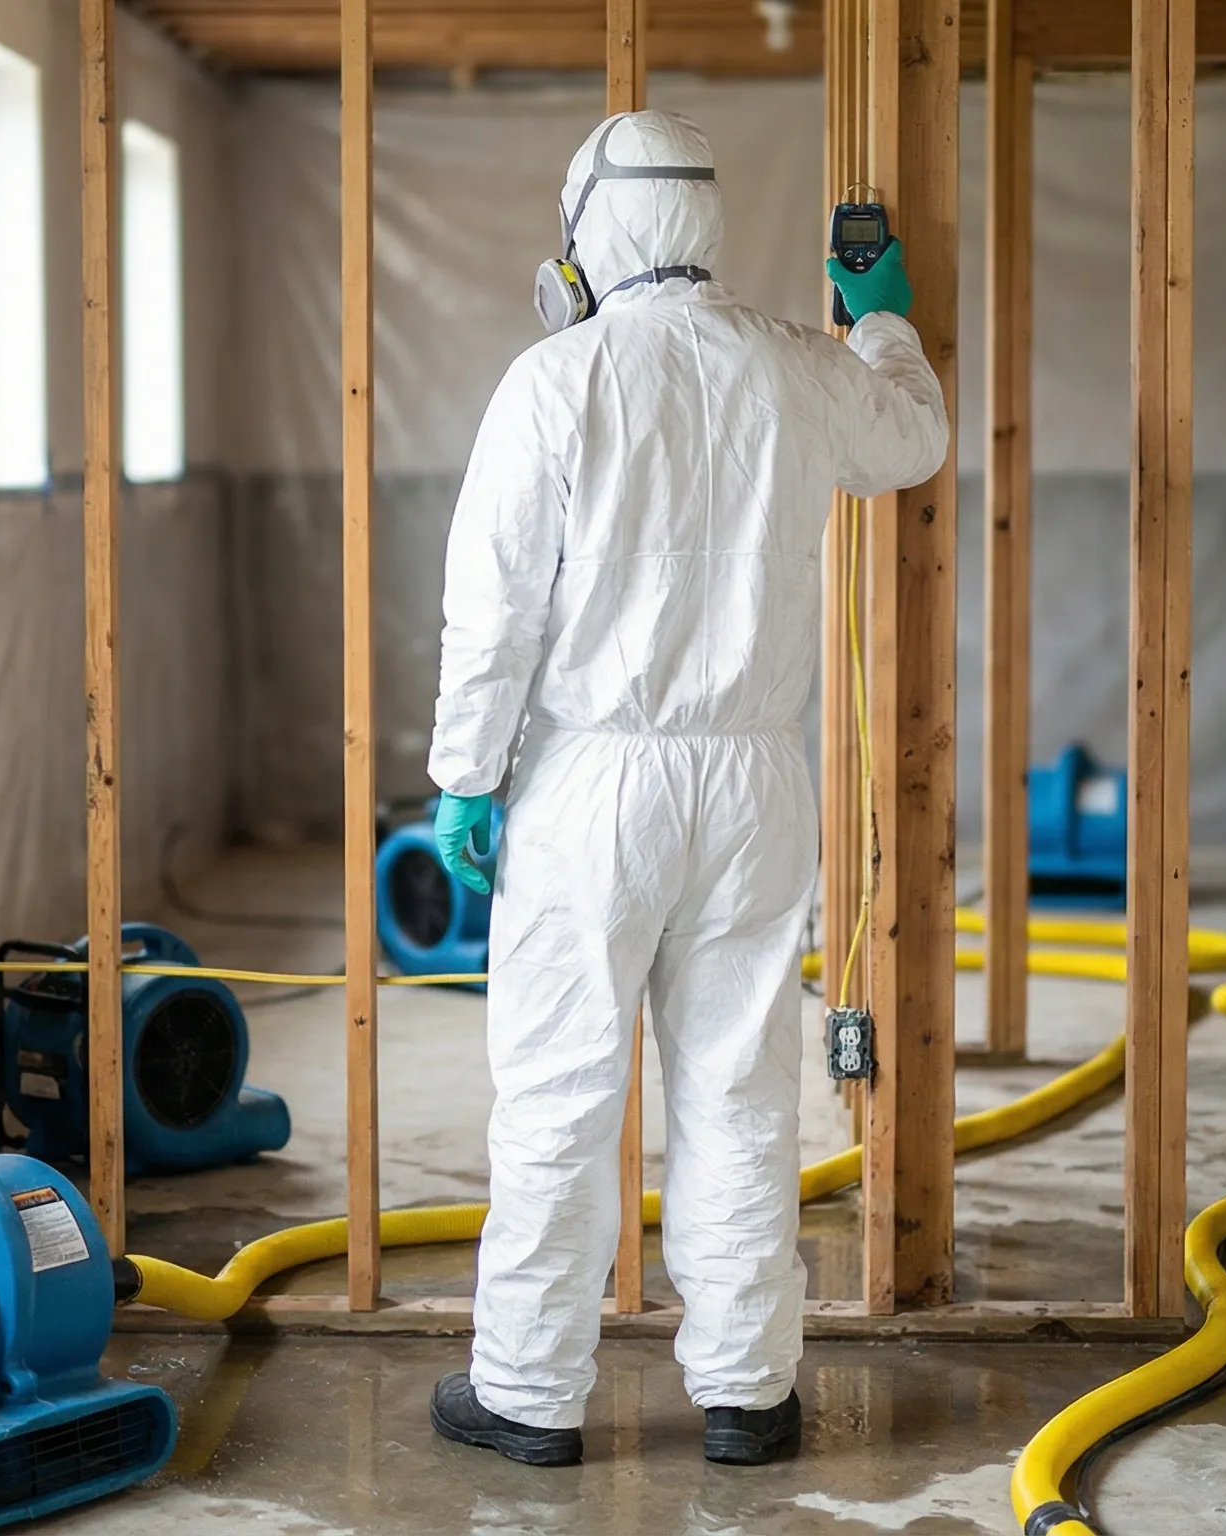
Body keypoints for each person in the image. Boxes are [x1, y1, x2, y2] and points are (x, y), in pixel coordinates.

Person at [422, 110, 949, 1469]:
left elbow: (492, 612)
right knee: (737, 1088)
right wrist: (879, 320)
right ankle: (747, 1393)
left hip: (593, 781)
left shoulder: (555, 380)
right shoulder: (791, 364)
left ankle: (531, 1396)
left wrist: (465, 779)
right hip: (758, 783)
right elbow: (915, 443)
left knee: (560, 1091)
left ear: (592, 232)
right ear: (705, 219)